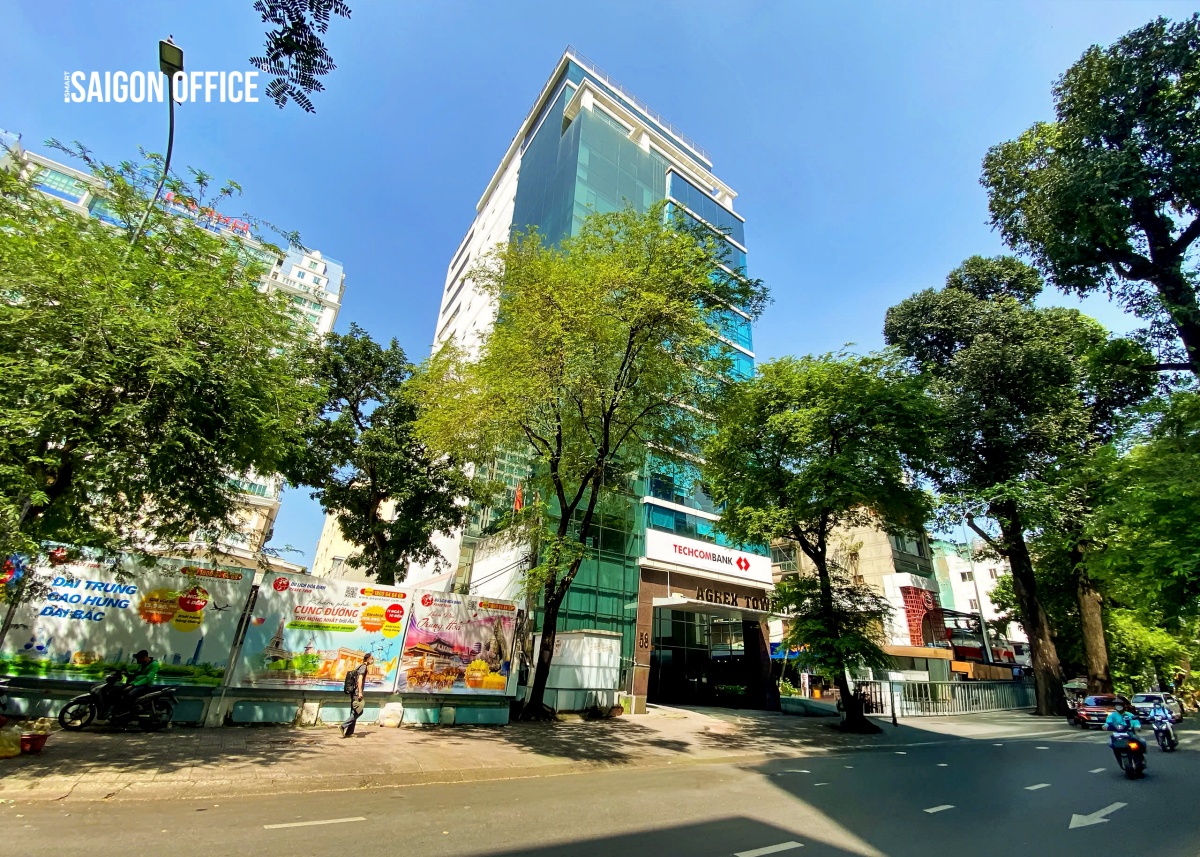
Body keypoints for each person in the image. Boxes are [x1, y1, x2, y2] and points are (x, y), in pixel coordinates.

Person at [341, 653, 372, 738]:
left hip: (354, 692)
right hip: (357, 692)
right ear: (368, 659)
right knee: (359, 711)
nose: (372, 660)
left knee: (353, 712)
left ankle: (349, 732)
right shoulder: (363, 667)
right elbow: (360, 679)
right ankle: (343, 726)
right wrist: (360, 692)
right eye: (372, 658)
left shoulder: (359, 666)